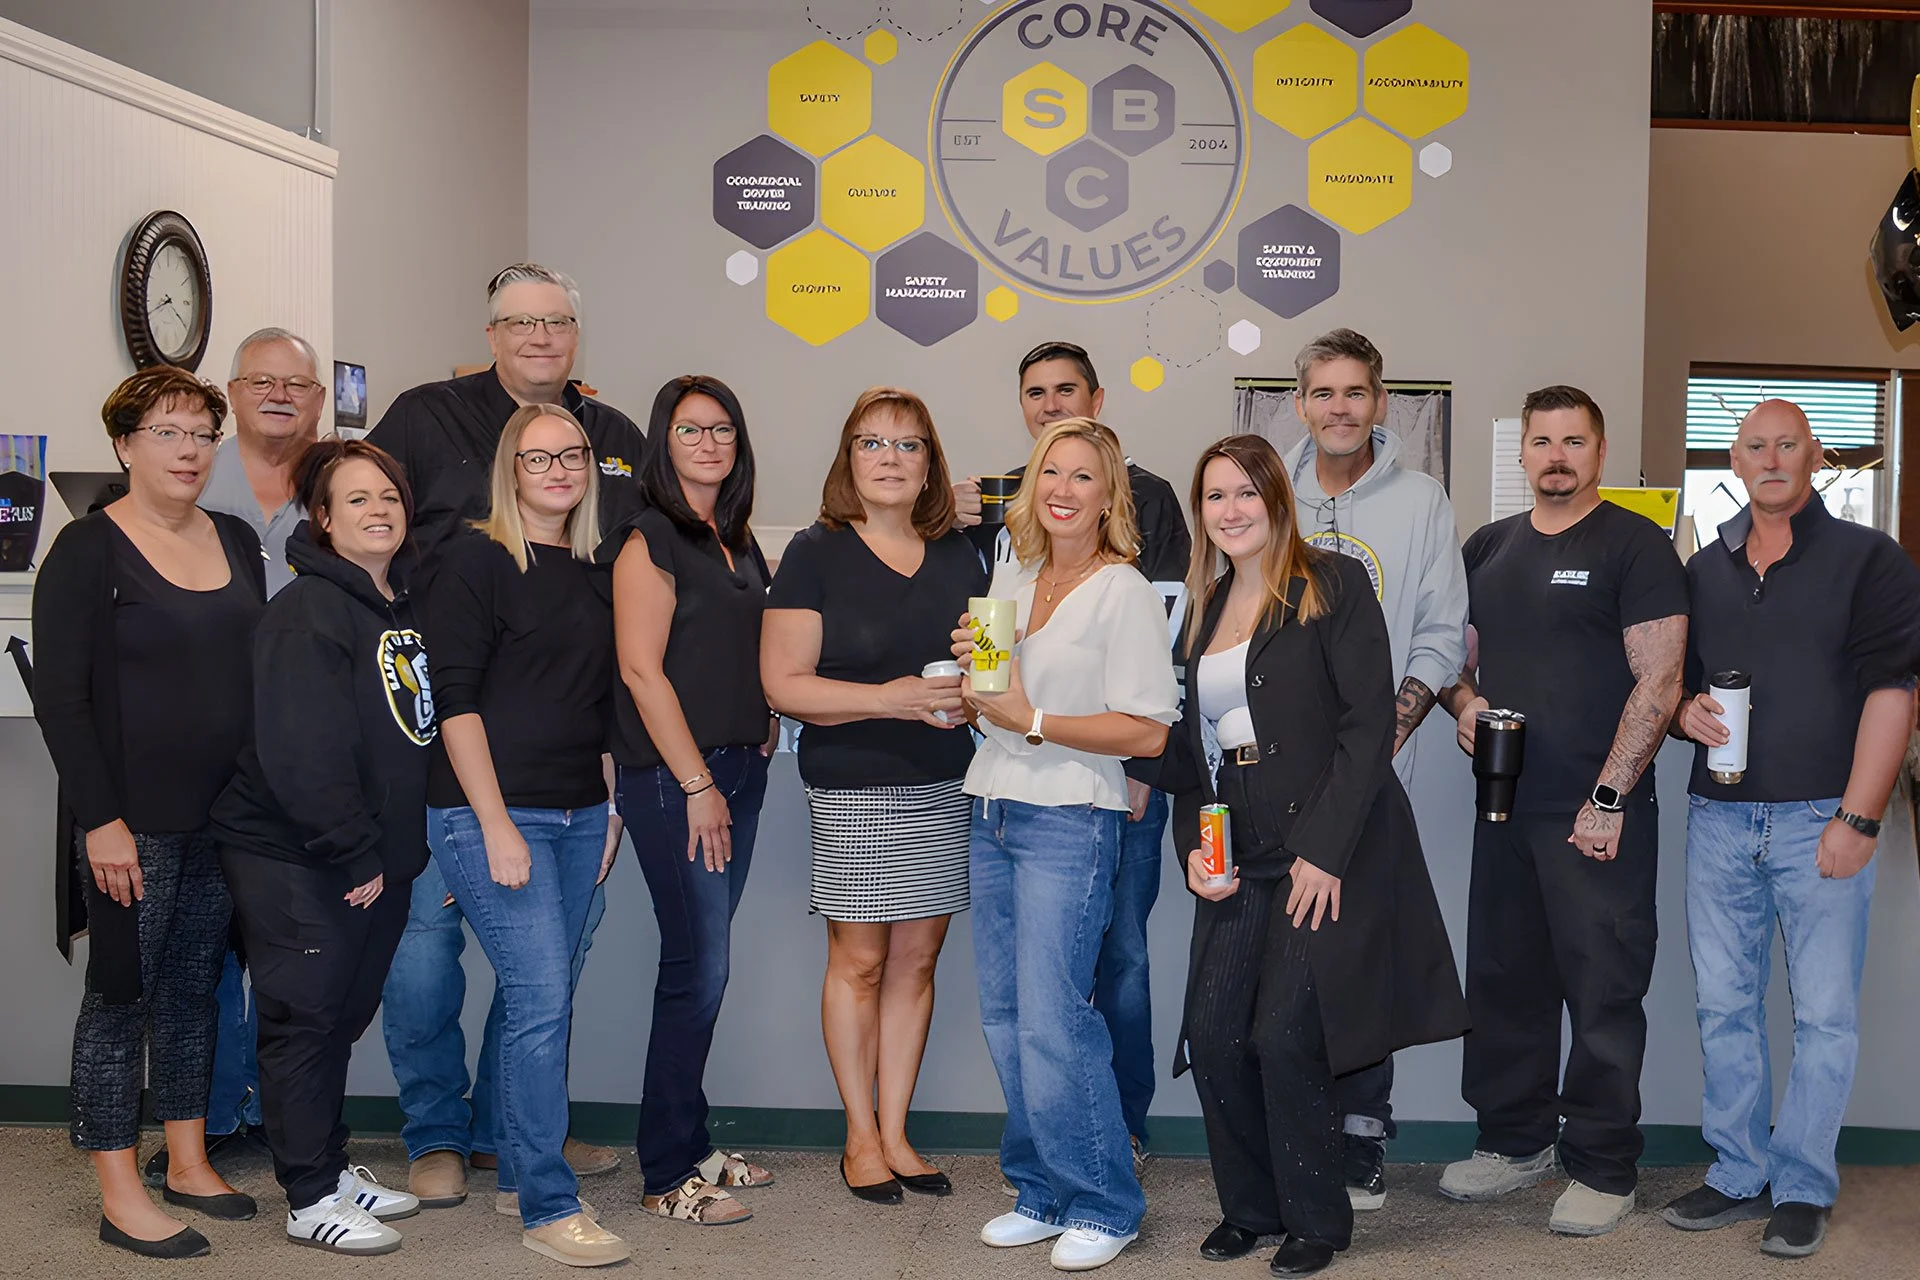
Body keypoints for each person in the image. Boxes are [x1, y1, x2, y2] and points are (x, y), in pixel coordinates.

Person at [1162, 434, 1467, 1277]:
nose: (1230, 510)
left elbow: (1367, 726)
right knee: (1213, 1033)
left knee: (1285, 1034)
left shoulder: (1332, 583)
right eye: (1215, 496)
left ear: (1277, 498)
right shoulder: (1202, 607)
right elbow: (1191, 755)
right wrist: (1193, 851)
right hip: (1239, 846)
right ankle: (1250, 1210)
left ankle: (1315, 1222)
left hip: (1327, 841)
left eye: (1245, 492)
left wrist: (1326, 852)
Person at [368, 263, 637, 1206]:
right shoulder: (424, 416)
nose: (540, 336)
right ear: (491, 335)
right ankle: (437, 1133)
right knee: (423, 953)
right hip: (439, 735)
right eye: (521, 322)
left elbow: (651, 559)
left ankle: (511, 1131)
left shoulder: (614, 438)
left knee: (545, 973)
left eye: (557, 321)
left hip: (568, 768)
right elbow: (356, 511)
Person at [1659, 400, 1920, 1259]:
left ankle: (1803, 1185)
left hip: (1822, 820)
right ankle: (1739, 1171)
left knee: (1826, 1016)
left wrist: (1859, 815)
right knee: (1723, 1006)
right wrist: (1684, 713)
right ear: (1734, 461)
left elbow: (1894, 691)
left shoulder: (1869, 560)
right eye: (1755, 446)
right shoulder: (1702, 569)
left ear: (1814, 456)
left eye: (1788, 444)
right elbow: (1674, 683)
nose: (1771, 458)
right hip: (1718, 819)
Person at [1436, 386, 1689, 1237]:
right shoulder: (1488, 546)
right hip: (1504, 808)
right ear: (1522, 453)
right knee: (1505, 980)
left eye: (1573, 441)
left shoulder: (1634, 543)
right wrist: (1465, 703)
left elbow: (1661, 680)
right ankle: (1513, 1142)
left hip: (1596, 812)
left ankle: (1604, 1166)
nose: (1556, 456)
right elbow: (1452, 657)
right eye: (1542, 441)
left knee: (1603, 990)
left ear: (1600, 452)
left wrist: (1609, 797)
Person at [32, 367, 266, 1257]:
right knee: (119, 997)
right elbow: (62, 700)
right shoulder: (87, 549)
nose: (189, 450)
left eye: (203, 434)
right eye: (167, 432)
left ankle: (188, 1159)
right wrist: (101, 822)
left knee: (193, 990)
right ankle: (119, 1190)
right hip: (130, 823)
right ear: (125, 444)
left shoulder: (236, 538)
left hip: (225, 817)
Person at [954, 340, 1189, 1177]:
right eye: (1050, 473)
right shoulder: (1011, 574)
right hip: (995, 805)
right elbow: (992, 698)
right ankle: (1041, 1182)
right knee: (1008, 1013)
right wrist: (971, 686)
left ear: (1109, 490)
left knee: (1077, 1000)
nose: (1062, 487)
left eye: (1082, 475)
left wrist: (1035, 719)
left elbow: (1148, 722)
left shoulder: (1125, 582)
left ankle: (1105, 1173)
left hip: (1077, 807)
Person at [208, 440, 433, 1255]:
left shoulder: (393, 607)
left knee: (339, 1018)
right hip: (299, 855)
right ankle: (308, 1198)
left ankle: (330, 1169)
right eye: (358, 499)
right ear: (324, 519)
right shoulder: (308, 612)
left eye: (390, 497)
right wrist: (353, 851)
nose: (379, 510)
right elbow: (303, 750)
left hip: (369, 856)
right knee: (304, 1020)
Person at [761, 388, 984, 1204]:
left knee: (917, 962)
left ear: (930, 463)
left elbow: (984, 668)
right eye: (872, 443)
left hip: (943, 782)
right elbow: (783, 685)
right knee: (859, 963)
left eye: (908, 444)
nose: (890, 458)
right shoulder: (815, 552)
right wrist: (890, 699)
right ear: (847, 458)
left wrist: (975, 693)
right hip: (854, 785)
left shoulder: (961, 555)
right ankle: (859, 1137)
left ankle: (896, 1132)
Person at [419, 403, 630, 1267]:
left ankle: (513, 1168)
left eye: (572, 455)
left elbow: (601, 705)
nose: (558, 470)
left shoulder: (596, 569)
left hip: (581, 815)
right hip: (492, 816)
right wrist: (496, 823)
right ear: (510, 469)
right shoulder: (474, 559)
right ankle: (548, 1205)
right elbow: (455, 703)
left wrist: (609, 810)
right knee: (541, 1003)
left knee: (537, 999)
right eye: (538, 457)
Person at [1281, 329, 1468, 1209]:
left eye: (1355, 392)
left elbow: (1439, 631)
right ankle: (1299, 1125)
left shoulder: (1423, 500)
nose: (1340, 408)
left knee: (1358, 948)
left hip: (1378, 765)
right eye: (1323, 393)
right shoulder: (1268, 490)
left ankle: (1362, 1132)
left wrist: (1379, 737)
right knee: (1290, 949)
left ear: (1381, 402)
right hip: (1278, 768)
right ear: (1301, 404)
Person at [142, 327, 330, 1191]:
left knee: (290, 946)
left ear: (318, 401)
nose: (280, 395)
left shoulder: (337, 487)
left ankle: (276, 1114)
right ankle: (210, 1119)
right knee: (203, 951)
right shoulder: (189, 477)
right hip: (206, 751)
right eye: (262, 381)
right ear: (233, 393)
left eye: (297, 384)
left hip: (306, 750)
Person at [612, 374, 777, 1225]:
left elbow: (738, 647)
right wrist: (697, 783)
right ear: (662, 442)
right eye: (689, 430)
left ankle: (694, 1140)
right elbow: (641, 671)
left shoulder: (734, 538)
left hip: (738, 773)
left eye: (722, 429)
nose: (708, 443)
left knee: (705, 970)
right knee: (696, 971)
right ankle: (667, 1173)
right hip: (680, 784)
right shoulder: (649, 538)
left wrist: (764, 717)